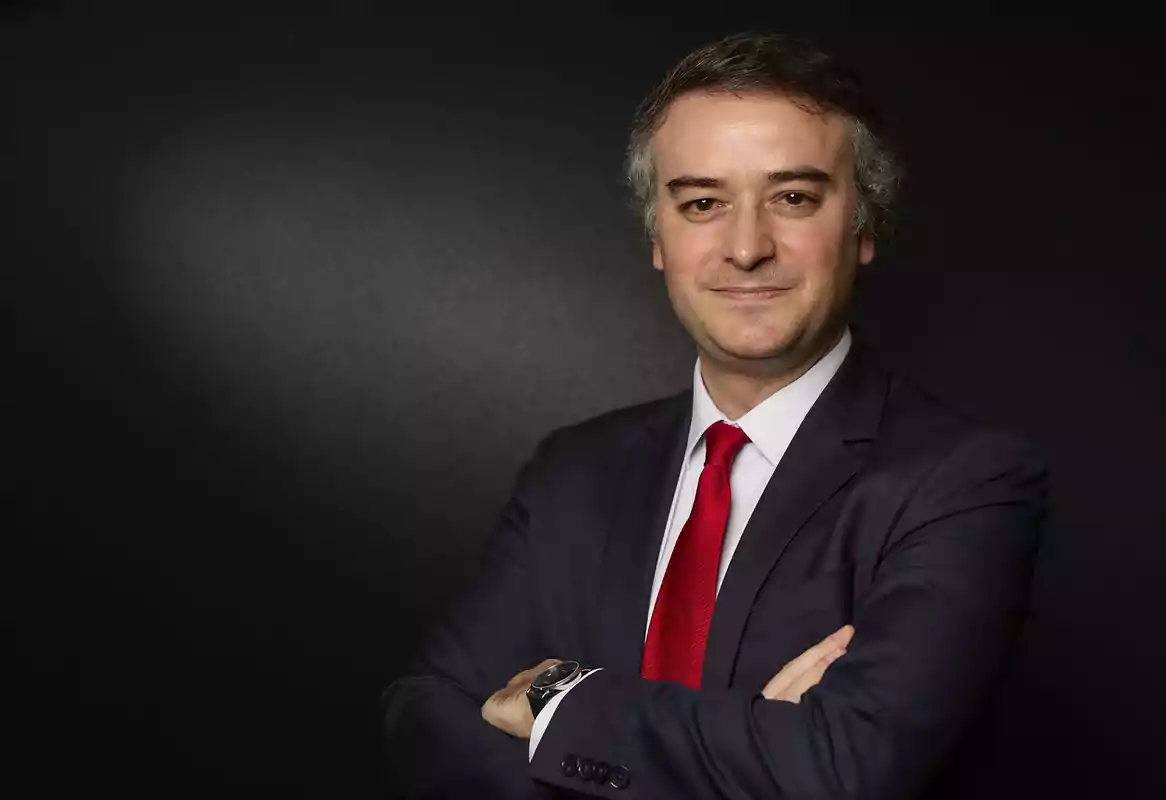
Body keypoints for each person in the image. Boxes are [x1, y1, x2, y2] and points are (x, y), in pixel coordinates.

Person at [382, 31, 1048, 800]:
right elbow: (422, 715)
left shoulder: (965, 479)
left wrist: (560, 698)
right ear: (657, 238)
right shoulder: (574, 470)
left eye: (793, 198)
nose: (745, 247)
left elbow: (845, 767)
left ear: (863, 227)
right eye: (702, 203)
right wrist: (755, 741)